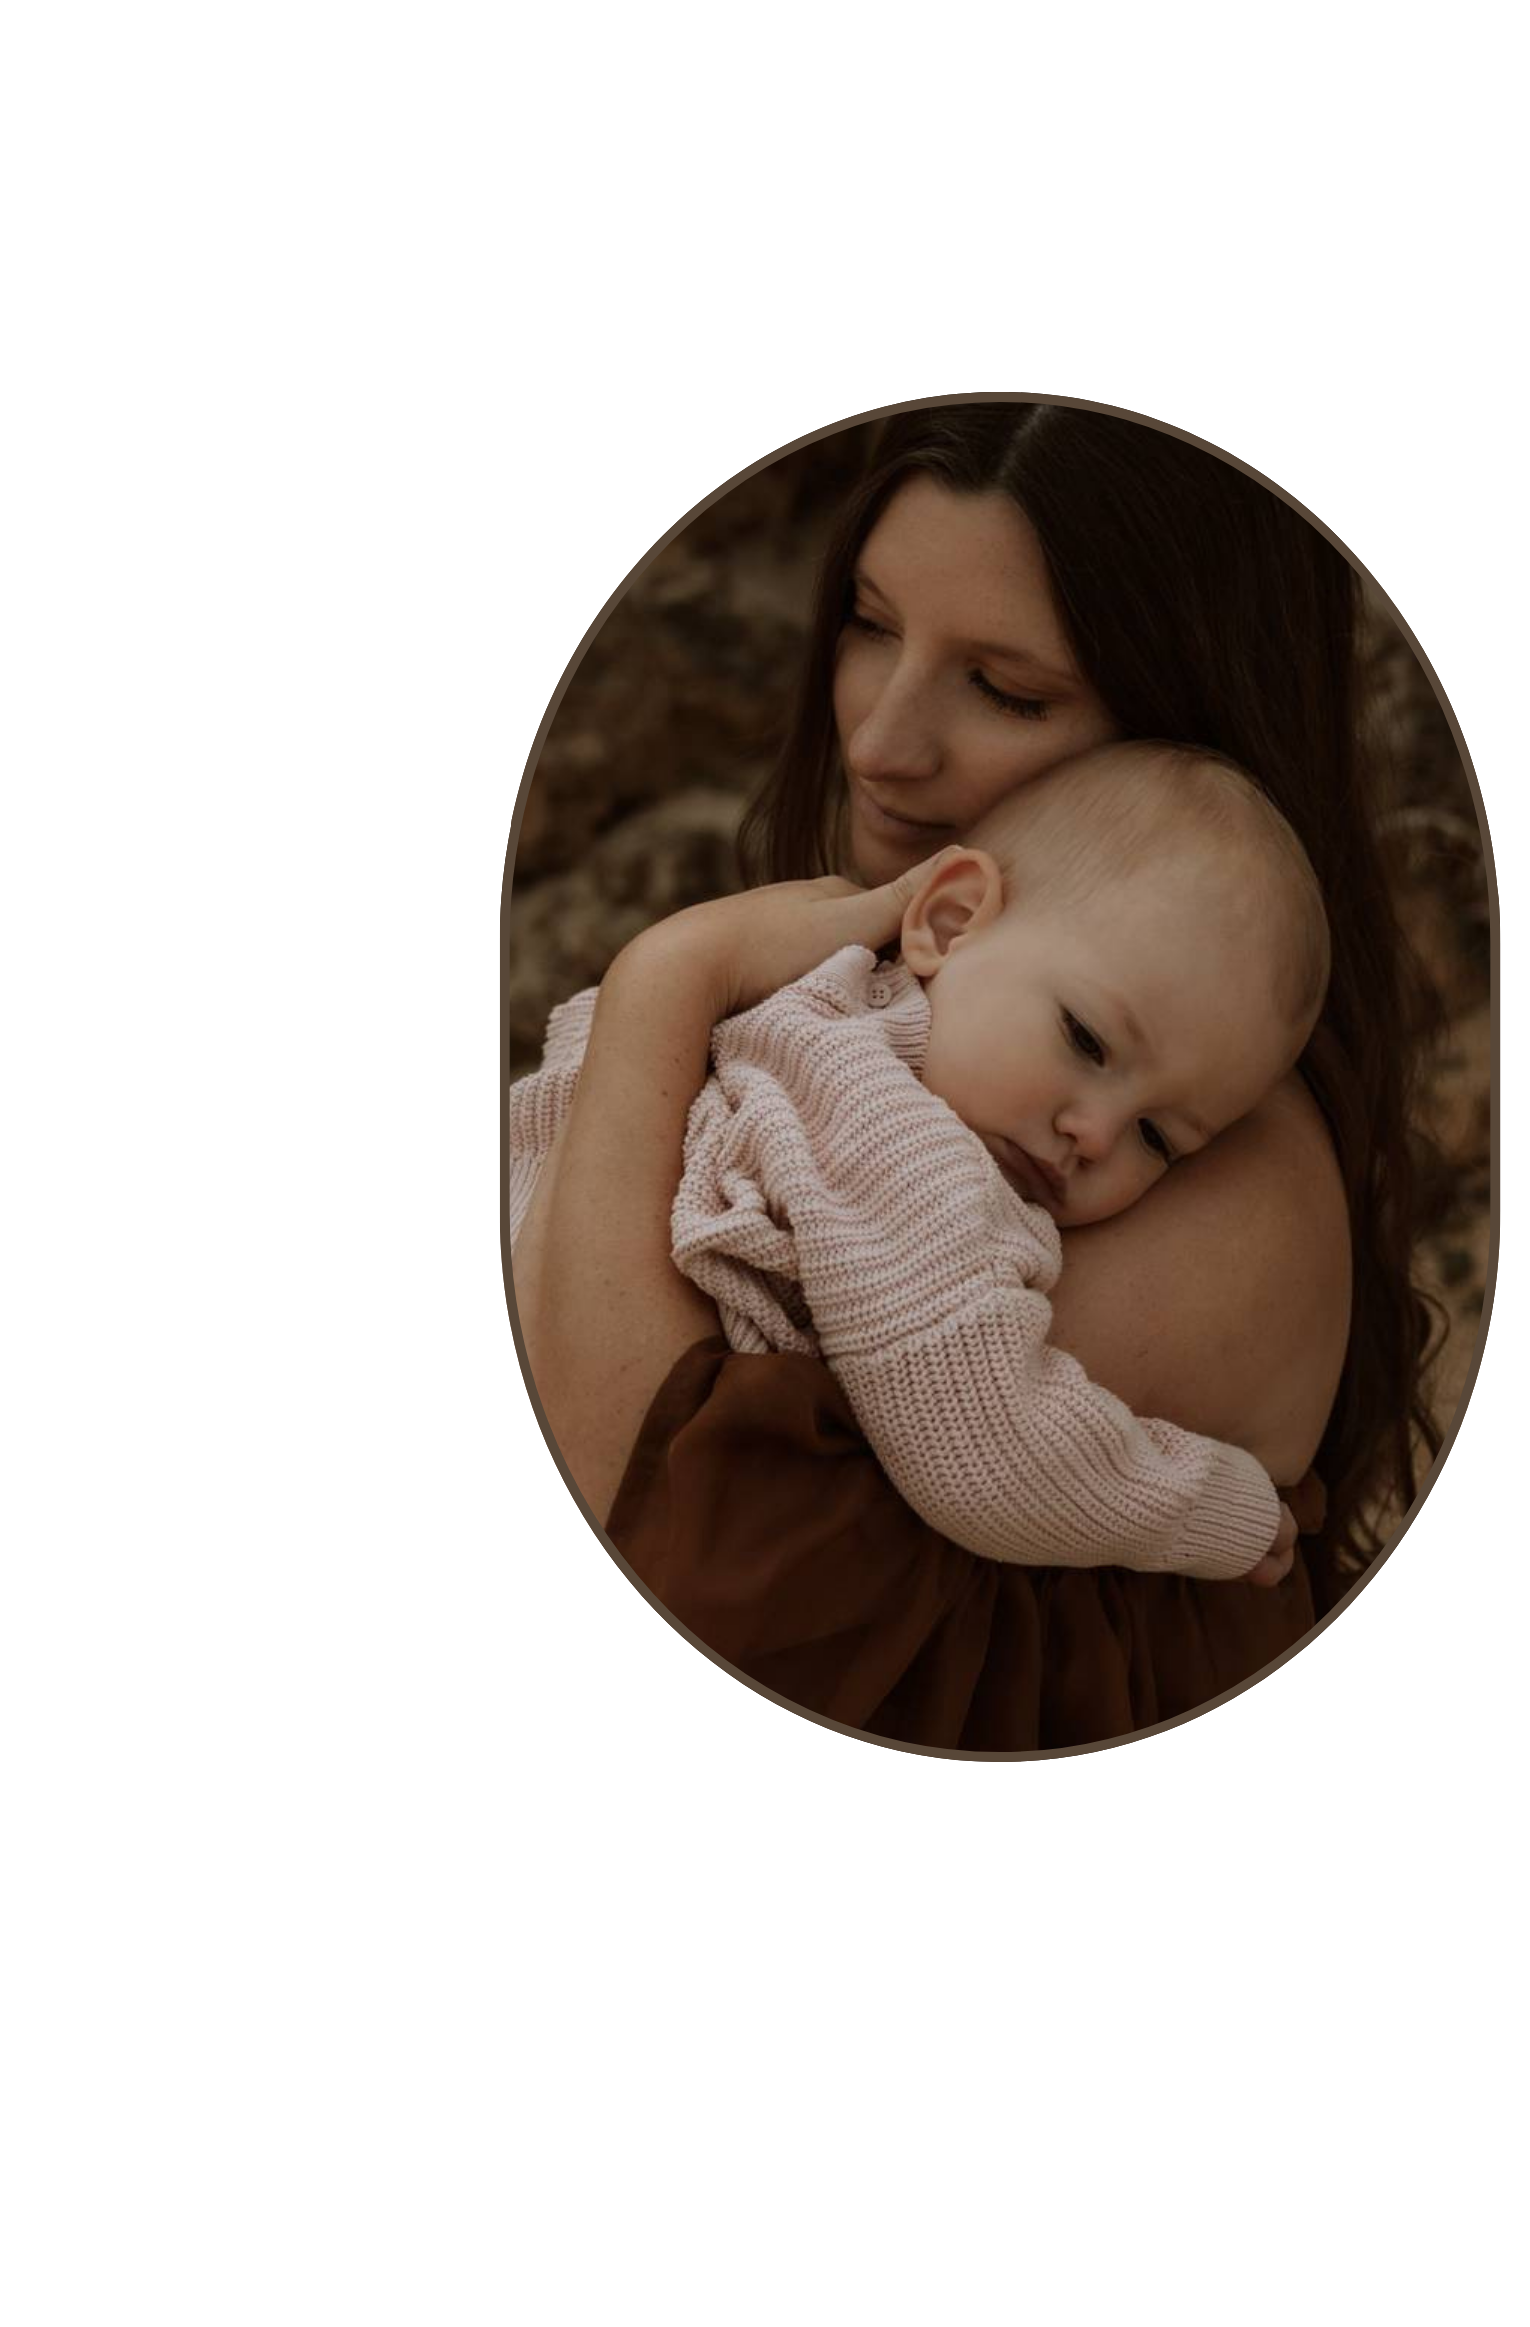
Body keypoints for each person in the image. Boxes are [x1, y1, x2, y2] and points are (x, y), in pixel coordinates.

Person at [508, 402, 1447, 1748]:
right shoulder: (901, 1005)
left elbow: (631, 1495)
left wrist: (671, 978)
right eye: (873, 622)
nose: (882, 740)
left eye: (1008, 691)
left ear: (1180, 706)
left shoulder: (1215, 1184)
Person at [512, 742, 1334, 1588]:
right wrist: (1218, 1511)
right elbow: (984, 1457)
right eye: (1086, 1041)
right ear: (946, 922)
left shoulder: (789, 1003)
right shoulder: (902, 1143)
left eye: (1158, 1140)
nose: (1095, 1135)